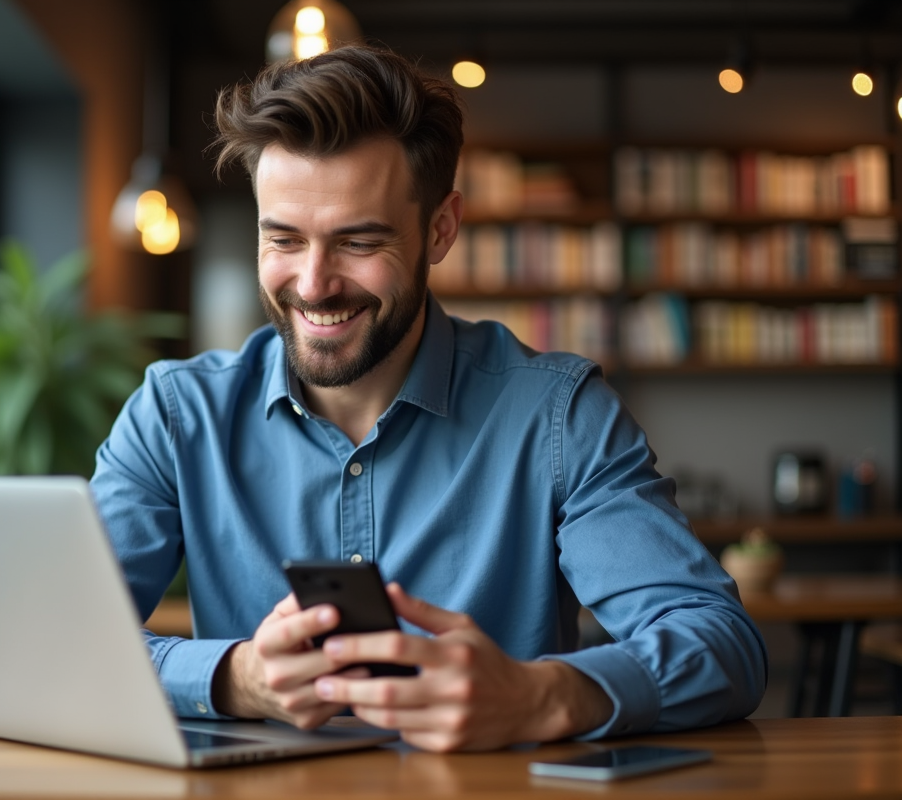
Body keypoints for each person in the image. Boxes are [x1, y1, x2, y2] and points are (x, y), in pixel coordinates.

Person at [90, 44, 766, 752]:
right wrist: (234, 678)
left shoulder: (559, 417)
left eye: (358, 242)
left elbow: (721, 645)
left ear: (440, 229)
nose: (314, 285)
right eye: (283, 239)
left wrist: (540, 696)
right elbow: (51, 636)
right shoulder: (175, 415)